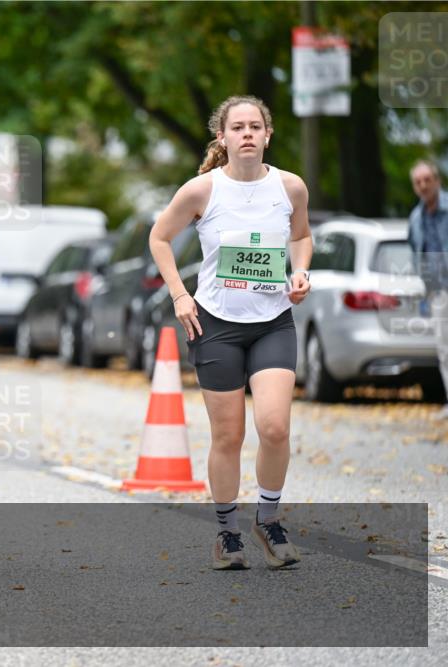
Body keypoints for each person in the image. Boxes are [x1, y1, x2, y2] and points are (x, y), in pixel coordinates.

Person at [149, 95, 312, 571]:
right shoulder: (202, 190)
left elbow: (300, 237)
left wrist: (300, 272)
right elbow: (159, 238)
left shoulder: (289, 187)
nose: (246, 134)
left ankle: (268, 518)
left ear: (267, 135)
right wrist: (181, 295)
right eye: (237, 127)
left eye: (254, 126)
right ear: (222, 137)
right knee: (228, 435)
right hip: (216, 324)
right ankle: (227, 533)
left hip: (272, 322)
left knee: (275, 426)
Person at [407, 159, 448, 418]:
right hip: (439, 292)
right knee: (445, 349)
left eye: (427, 180)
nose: (423, 186)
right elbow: (415, 253)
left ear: (437, 181)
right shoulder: (415, 218)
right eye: (418, 182)